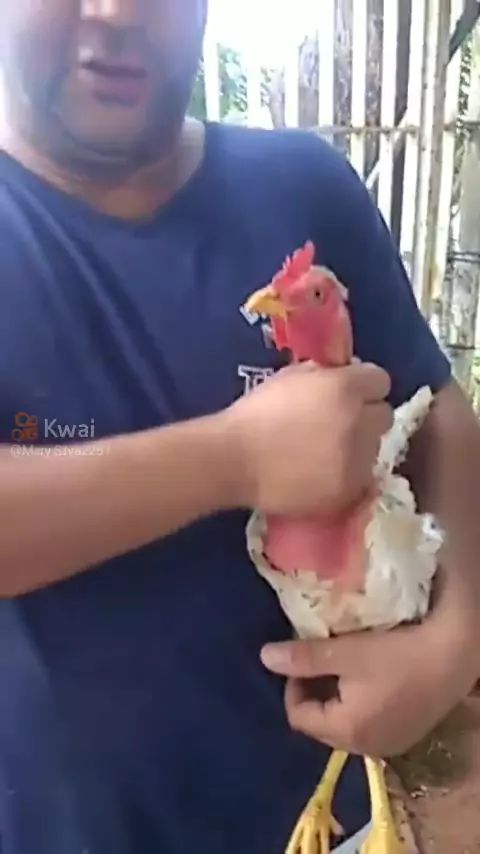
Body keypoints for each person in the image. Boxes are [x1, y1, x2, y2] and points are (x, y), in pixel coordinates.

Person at [0, 1, 479, 853]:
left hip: (332, 826)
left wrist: (458, 637)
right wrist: (235, 458)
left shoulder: (303, 185)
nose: (115, 11)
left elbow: (438, 411)